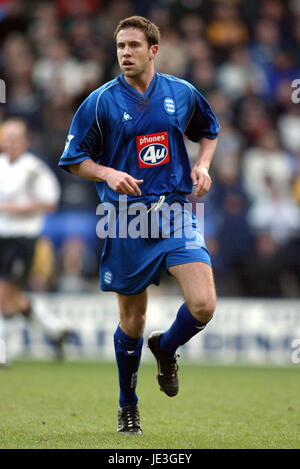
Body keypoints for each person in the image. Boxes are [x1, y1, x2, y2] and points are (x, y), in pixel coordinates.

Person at [59, 16, 219, 435]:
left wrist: (202, 166)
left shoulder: (181, 93)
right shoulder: (99, 102)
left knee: (204, 304)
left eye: (133, 45)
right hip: (124, 219)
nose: (125, 53)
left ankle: (166, 349)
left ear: (153, 50)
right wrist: (107, 173)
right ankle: (127, 405)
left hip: (174, 211)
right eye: (119, 46)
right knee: (132, 322)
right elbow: (75, 160)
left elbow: (209, 130)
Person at [0, 117, 70, 361]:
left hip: (22, 239)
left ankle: (4, 351)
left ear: (25, 141)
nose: (9, 142)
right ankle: (54, 328)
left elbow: (50, 202)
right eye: (6, 137)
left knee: (5, 293)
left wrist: (17, 209)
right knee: (9, 296)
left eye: (14, 137)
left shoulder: (34, 169)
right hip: (2, 237)